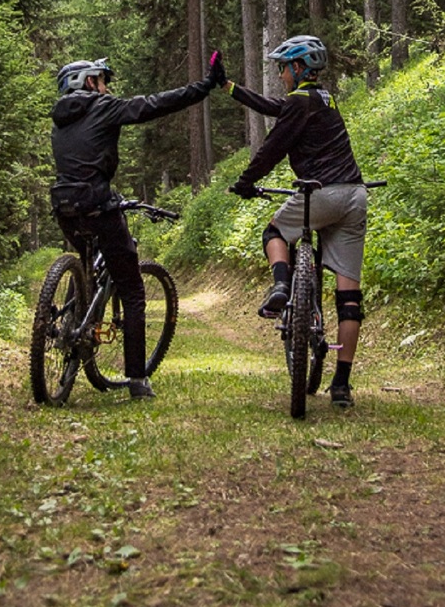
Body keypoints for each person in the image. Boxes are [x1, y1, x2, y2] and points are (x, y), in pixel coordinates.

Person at [50, 52, 224, 399]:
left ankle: (69, 325)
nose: (107, 86)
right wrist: (204, 86)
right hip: (98, 204)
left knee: (86, 262)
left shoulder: (59, 120)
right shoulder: (103, 106)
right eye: (103, 80)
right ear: (90, 82)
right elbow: (154, 104)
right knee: (131, 289)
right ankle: (137, 379)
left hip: (64, 206)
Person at [223, 35, 367, 408]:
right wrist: (230, 87)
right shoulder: (323, 98)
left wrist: (245, 183)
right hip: (355, 195)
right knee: (349, 297)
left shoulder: (300, 102)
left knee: (274, 231)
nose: (281, 75)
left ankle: (281, 287)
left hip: (321, 194)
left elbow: (272, 148)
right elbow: (278, 107)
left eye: (283, 68)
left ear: (298, 67)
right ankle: (341, 385)